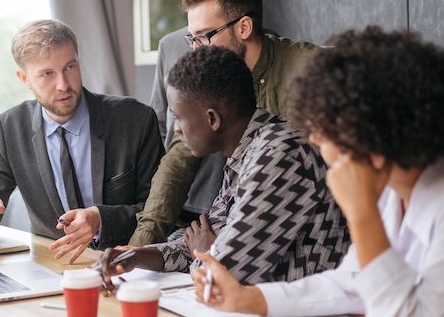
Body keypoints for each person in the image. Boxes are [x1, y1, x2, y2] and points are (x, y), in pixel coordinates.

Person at [191, 26, 444, 316]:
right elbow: (353, 283)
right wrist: (252, 299)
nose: (315, 146)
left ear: (369, 142)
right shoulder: (393, 191)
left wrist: (363, 215)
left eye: (323, 136)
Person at [99, 45, 349, 290]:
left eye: (179, 117)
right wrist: (136, 257)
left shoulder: (279, 154)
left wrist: (207, 250)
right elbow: (200, 245)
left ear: (212, 119)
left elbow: (221, 278)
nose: (176, 128)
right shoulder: (246, 151)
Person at [130, 0, 319, 246]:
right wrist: (138, 247)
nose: (197, 51)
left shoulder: (313, 71)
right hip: (235, 231)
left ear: (244, 27)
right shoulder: (208, 78)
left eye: (205, 36)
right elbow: (178, 162)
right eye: (192, 39)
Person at [0, 19, 164, 264]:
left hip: (124, 263)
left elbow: (161, 211)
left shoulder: (135, 120)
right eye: (47, 74)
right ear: (24, 79)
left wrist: (100, 219)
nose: (64, 85)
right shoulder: (11, 127)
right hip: (51, 265)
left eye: (70, 67)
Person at [141, 0, 257, 241]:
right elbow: (162, 124)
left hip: (238, 205)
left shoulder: (254, 46)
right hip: (182, 203)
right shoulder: (172, 45)